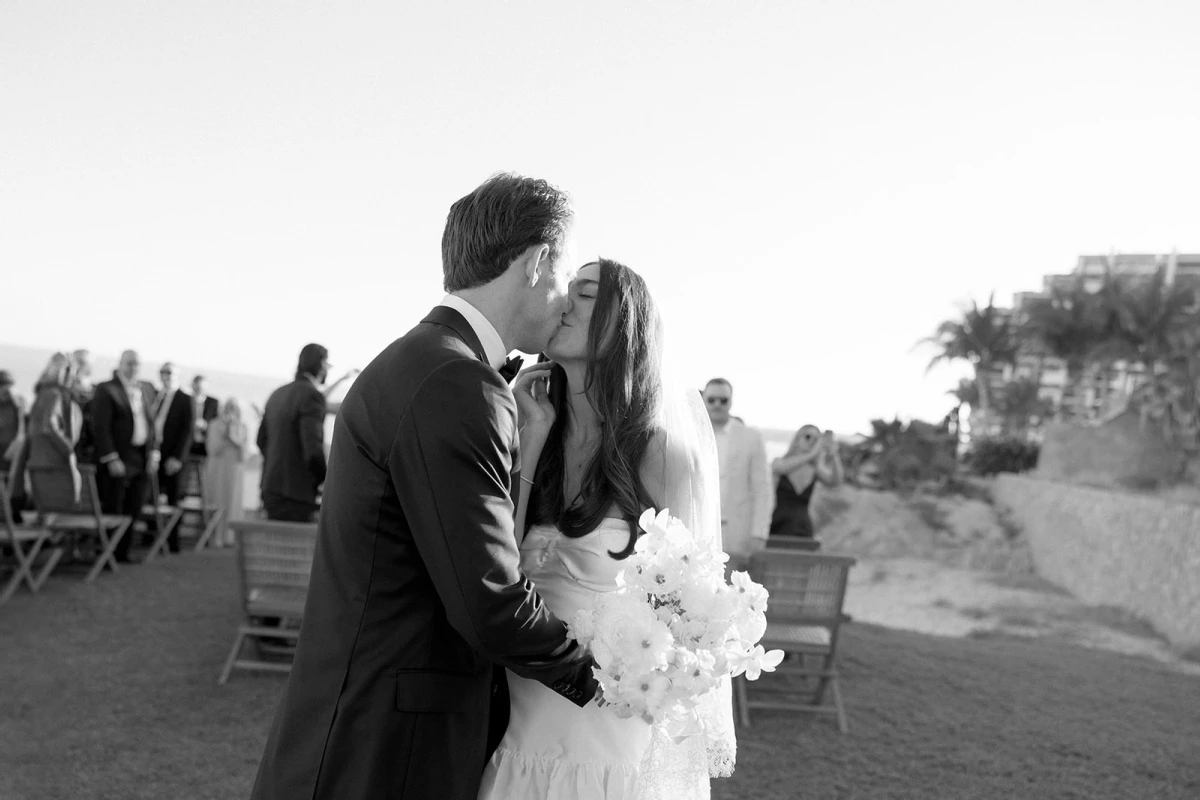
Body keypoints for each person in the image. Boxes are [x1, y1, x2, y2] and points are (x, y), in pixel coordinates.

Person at [250, 173, 598, 800]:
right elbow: (487, 602)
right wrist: (601, 679)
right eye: (566, 275)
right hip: (387, 748)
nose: (568, 299)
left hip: (357, 722)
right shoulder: (457, 382)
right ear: (537, 261)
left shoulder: (423, 360)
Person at [477, 259, 735, 800]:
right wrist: (534, 433)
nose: (564, 301)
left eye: (586, 293)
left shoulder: (666, 458)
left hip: (609, 741)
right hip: (517, 719)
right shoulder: (530, 430)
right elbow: (499, 559)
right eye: (566, 288)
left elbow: (691, 614)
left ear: (627, 323)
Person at [91, 350, 159, 563]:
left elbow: (152, 424)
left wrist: (154, 452)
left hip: (140, 456)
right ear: (120, 363)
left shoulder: (147, 389)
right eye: (129, 363)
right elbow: (100, 427)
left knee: (134, 506)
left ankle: (123, 552)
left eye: (137, 364)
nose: (133, 368)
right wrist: (111, 457)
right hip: (119, 456)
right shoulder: (106, 389)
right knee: (115, 505)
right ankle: (107, 553)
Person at [702, 378, 771, 571]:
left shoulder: (751, 437)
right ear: (704, 400)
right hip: (697, 536)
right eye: (712, 399)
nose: (717, 405)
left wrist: (759, 533)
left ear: (731, 401)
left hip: (736, 538)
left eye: (723, 400)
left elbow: (762, 489)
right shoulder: (691, 435)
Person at [255, 344, 329, 522]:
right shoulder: (312, 396)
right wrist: (325, 479)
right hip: (297, 495)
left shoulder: (277, 394)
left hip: (270, 490)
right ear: (321, 364)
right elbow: (312, 449)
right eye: (327, 363)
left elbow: (260, 440)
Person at [768, 425, 845, 543]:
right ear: (797, 438)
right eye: (808, 436)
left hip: (802, 527)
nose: (812, 442)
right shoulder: (780, 462)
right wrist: (812, 454)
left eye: (816, 439)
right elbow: (780, 468)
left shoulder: (814, 469)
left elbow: (835, 481)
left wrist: (834, 455)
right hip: (778, 524)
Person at [151, 362, 194, 552]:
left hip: (173, 457)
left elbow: (188, 431)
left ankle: (172, 541)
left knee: (173, 499)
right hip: (155, 454)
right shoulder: (155, 396)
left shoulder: (185, 399)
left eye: (170, 372)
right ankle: (152, 536)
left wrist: (177, 457)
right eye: (163, 372)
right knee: (152, 496)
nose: (166, 376)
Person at [203, 397, 247, 547]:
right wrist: (226, 437)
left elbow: (244, 454)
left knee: (233, 501)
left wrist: (234, 439)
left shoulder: (242, 426)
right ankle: (215, 536)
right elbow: (212, 449)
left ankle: (230, 536)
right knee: (217, 499)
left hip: (235, 470)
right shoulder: (215, 425)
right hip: (218, 469)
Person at [0, 370, 28, 519]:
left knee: (14, 486)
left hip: (13, 451)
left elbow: (23, 430)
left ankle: (13, 516)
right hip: (4, 452)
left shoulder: (18, 402)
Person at [189, 375, 220, 457]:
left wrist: (206, 425)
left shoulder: (213, 403)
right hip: (188, 444)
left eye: (201, 388)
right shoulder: (186, 400)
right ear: (193, 386)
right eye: (198, 387)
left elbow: (217, 423)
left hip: (205, 445)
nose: (199, 390)